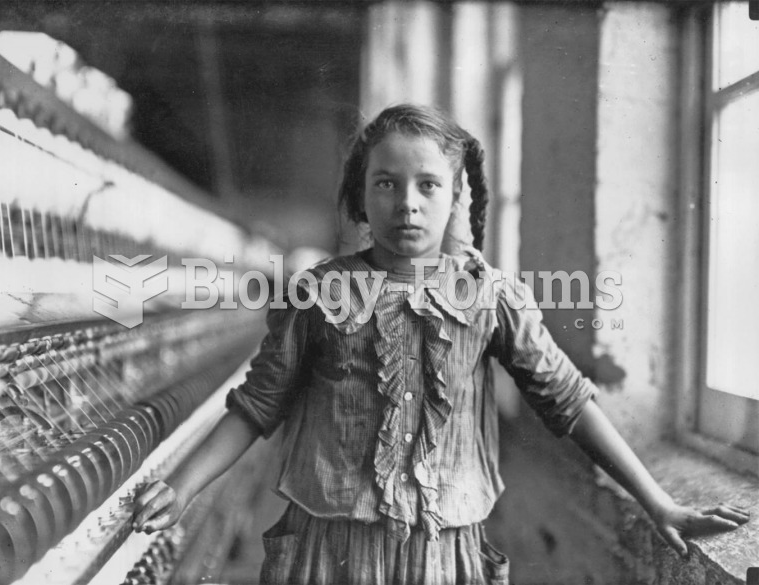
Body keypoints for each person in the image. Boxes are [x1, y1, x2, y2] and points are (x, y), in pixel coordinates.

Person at [132, 104, 749, 584]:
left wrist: (658, 502)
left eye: (428, 185)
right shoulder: (318, 292)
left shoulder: (490, 296)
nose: (407, 204)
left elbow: (568, 400)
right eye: (386, 183)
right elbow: (256, 405)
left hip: (443, 551)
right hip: (327, 549)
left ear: (456, 197)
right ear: (360, 196)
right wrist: (182, 488)